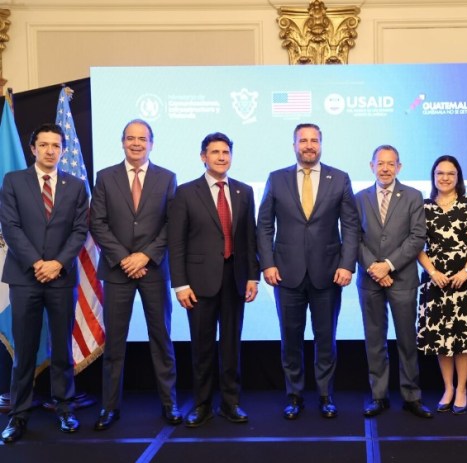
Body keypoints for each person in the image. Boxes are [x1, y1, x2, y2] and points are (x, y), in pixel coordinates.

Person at [257, 123, 359, 420]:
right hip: (285, 274)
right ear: (294, 145)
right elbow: (264, 226)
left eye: (314, 140)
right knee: (290, 339)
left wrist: (346, 265)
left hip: (328, 274)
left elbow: (350, 226)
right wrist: (267, 263)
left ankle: (326, 395)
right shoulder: (276, 179)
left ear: (321, 145)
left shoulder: (339, 178)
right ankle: (294, 395)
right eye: (303, 141)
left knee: (325, 338)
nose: (309, 145)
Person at [90, 119, 181, 430]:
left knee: (162, 339)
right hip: (118, 272)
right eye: (131, 138)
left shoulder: (167, 178)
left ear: (152, 144)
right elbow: (98, 223)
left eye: (143, 139)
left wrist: (145, 255)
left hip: (154, 270)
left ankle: (170, 404)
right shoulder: (105, 177)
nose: (137, 143)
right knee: (114, 344)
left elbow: (172, 224)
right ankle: (110, 408)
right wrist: (125, 258)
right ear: (122, 142)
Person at [0, 123, 88, 443]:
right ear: (33, 148)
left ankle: (65, 409)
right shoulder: (13, 181)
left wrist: (57, 264)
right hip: (25, 277)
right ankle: (19, 415)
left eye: (56, 145)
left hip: (62, 278)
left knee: (62, 347)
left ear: (62, 150)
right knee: (24, 350)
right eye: (44, 145)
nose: (51, 150)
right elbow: (9, 225)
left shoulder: (76, 186)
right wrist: (37, 264)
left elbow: (80, 230)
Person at [168, 132, 259, 427]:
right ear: (203, 157)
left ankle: (231, 403)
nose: (221, 157)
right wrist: (180, 284)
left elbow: (249, 239)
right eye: (215, 152)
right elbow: (177, 242)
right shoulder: (185, 192)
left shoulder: (244, 192)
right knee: (202, 347)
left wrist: (253, 277)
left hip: (235, 280)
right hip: (198, 283)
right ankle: (202, 404)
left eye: (226, 152)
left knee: (231, 346)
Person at [355, 145, 432, 419]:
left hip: (402, 278)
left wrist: (387, 265)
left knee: (406, 340)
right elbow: (354, 238)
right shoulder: (359, 198)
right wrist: (373, 268)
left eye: (391, 163)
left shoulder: (413, 196)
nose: (385, 168)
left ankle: (412, 396)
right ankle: (379, 396)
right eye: (380, 163)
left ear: (399, 167)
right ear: (371, 166)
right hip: (369, 280)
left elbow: (417, 237)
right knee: (374, 340)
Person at [417, 155, 467, 415]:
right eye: (440, 173)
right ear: (433, 176)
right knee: (441, 337)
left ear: (458, 177)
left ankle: (462, 388)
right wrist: (432, 271)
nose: (445, 177)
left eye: (450, 173)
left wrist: (466, 270)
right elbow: (416, 244)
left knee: (463, 337)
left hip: (466, 279)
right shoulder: (422, 206)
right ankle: (448, 387)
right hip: (435, 279)